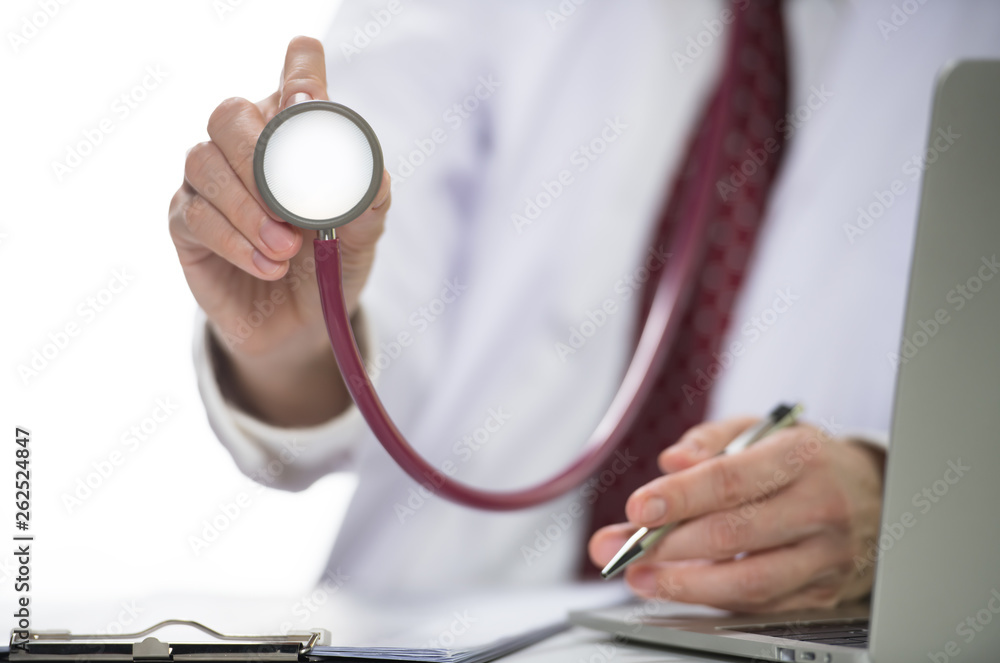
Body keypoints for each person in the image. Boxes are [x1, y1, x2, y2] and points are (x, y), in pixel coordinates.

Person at [168, 1, 1000, 609]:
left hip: (775, 631)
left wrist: (913, 511)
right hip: (426, 613)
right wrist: (291, 344)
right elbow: (343, 346)